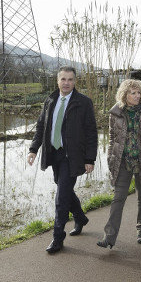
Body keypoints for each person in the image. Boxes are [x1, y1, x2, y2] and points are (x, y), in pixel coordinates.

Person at [27, 66, 98, 254]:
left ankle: (58, 237)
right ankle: (80, 217)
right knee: (63, 188)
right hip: (54, 153)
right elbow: (41, 125)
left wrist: (90, 158)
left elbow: (91, 132)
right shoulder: (50, 100)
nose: (67, 83)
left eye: (70, 80)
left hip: (72, 156)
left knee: (61, 197)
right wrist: (33, 149)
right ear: (57, 81)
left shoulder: (83, 102)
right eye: (63, 79)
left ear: (75, 82)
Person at [98, 79, 141, 248]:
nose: (137, 96)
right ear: (124, 94)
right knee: (118, 198)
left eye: (139, 92)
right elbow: (112, 139)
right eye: (133, 93)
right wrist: (111, 157)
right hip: (123, 161)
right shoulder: (115, 113)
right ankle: (109, 237)